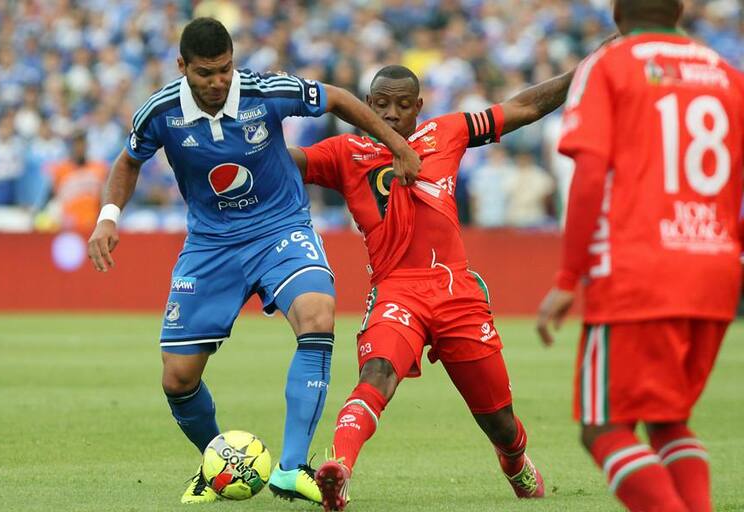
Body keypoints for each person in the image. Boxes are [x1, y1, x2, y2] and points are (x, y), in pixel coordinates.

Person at [86, 18, 420, 505]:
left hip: (281, 229)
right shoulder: (159, 111)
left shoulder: (267, 91)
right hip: (211, 244)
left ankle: (291, 467)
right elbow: (128, 161)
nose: (217, 81)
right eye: (205, 73)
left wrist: (398, 145)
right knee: (178, 377)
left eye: (225, 69)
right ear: (182, 67)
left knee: (317, 314)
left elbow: (339, 99)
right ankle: (217, 464)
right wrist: (108, 217)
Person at [288, 63, 576, 511]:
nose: (392, 113)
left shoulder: (447, 132)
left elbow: (523, 107)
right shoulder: (346, 152)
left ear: (419, 106)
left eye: (403, 105)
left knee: (499, 421)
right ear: (367, 106)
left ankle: (515, 460)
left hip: (455, 291)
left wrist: (584, 71)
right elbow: (285, 162)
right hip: (396, 292)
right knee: (376, 374)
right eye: (382, 104)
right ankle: (339, 469)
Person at [536, 1, 744, 511]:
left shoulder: (608, 65)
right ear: (680, 9)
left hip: (639, 268)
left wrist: (567, 278)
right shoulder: (726, 75)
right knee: (669, 421)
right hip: (715, 268)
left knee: (604, 427)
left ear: (616, 12)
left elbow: (589, 176)